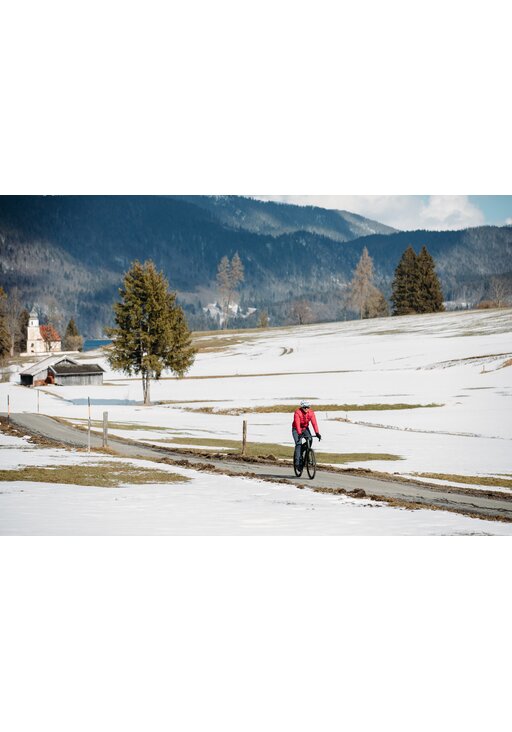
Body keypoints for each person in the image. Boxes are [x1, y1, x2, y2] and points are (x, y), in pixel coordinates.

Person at [292, 400, 321, 470]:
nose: (306, 409)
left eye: (307, 407)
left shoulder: (311, 413)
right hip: (296, 429)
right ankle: (298, 462)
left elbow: (314, 423)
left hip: (305, 428)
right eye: (304, 407)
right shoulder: (297, 413)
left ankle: (305, 451)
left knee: (310, 439)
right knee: (298, 443)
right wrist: (299, 433)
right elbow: (297, 423)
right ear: (301, 407)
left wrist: (317, 433)